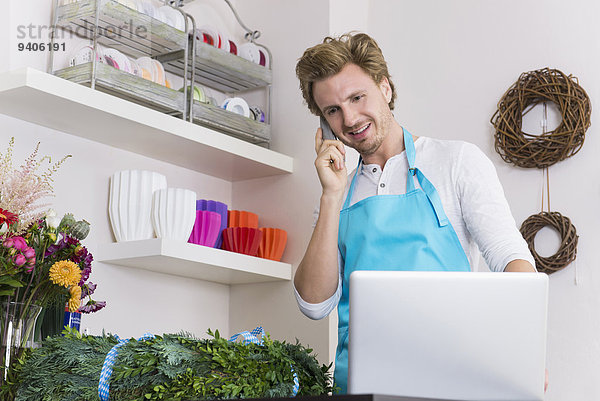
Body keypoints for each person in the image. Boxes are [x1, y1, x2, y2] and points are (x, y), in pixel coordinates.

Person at [293, 32, 537, 394]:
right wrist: (330, 195)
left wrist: (523, 357)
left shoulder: (455, 162)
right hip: (362, 388)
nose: (350, 118)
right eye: (333, 110)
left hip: (452, 382)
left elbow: (510, 257)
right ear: (324, 123)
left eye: (357, 97)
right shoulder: (337, 194)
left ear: (385, 88)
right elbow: (314, 305)